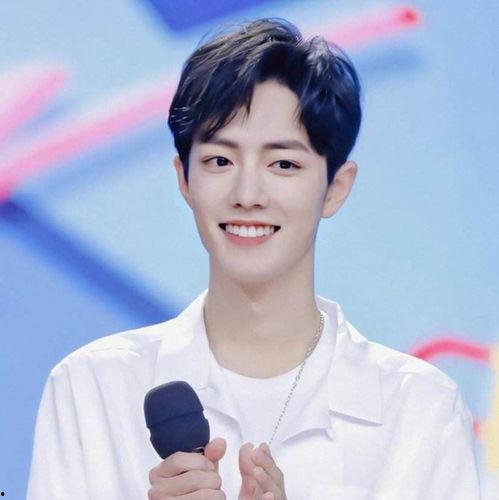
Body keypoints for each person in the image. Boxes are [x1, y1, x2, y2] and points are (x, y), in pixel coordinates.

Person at [27, 17, 481, 500]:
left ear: (336, 187)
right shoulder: (92, 388)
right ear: (184, 179)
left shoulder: (418, 409)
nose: (247, 194)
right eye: (220, 161)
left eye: (283, 163)